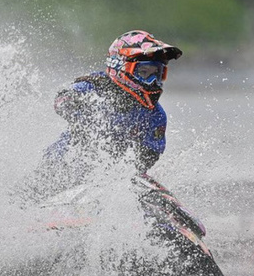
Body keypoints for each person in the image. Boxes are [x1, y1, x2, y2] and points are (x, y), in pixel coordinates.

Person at [26, 29, 182, 201]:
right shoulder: (97, 86)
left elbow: (147, 158)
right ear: (121, 67)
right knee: (28, 194)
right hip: (59, 169)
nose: (153, 82)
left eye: (157, 74)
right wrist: (82, 116)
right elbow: (62, 100)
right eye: (144, 73)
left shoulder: (155, 115)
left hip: (104, 180)